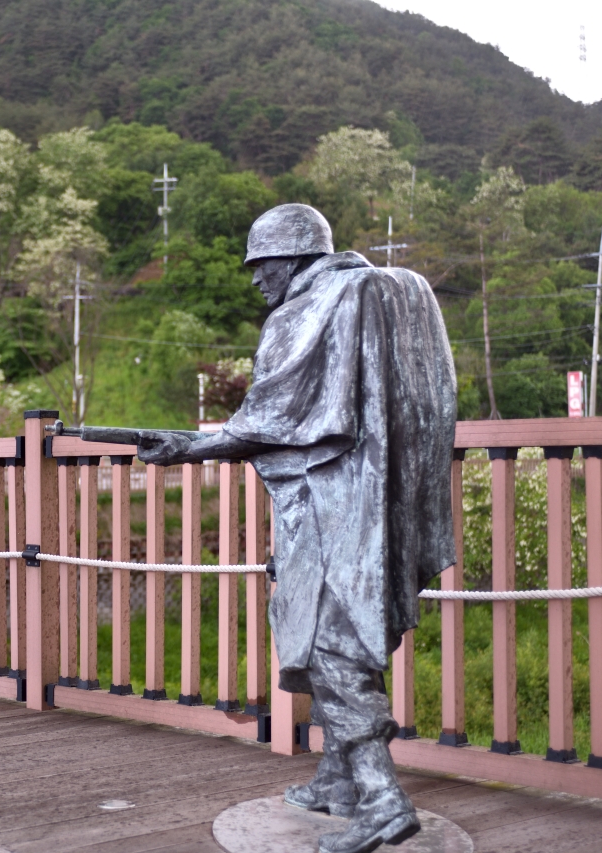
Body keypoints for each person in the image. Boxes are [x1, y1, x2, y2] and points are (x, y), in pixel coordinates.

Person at [137, 204, 456, 853]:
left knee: (329, 640)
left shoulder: (308, 309)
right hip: (379, 499)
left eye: (265, 266)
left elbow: (267, 421)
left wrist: (186, 448)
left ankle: (381, 797)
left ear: (296, 258)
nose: (257, 280)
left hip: (329, 506)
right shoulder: (391, 292)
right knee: (344, 633)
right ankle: (338, 774)